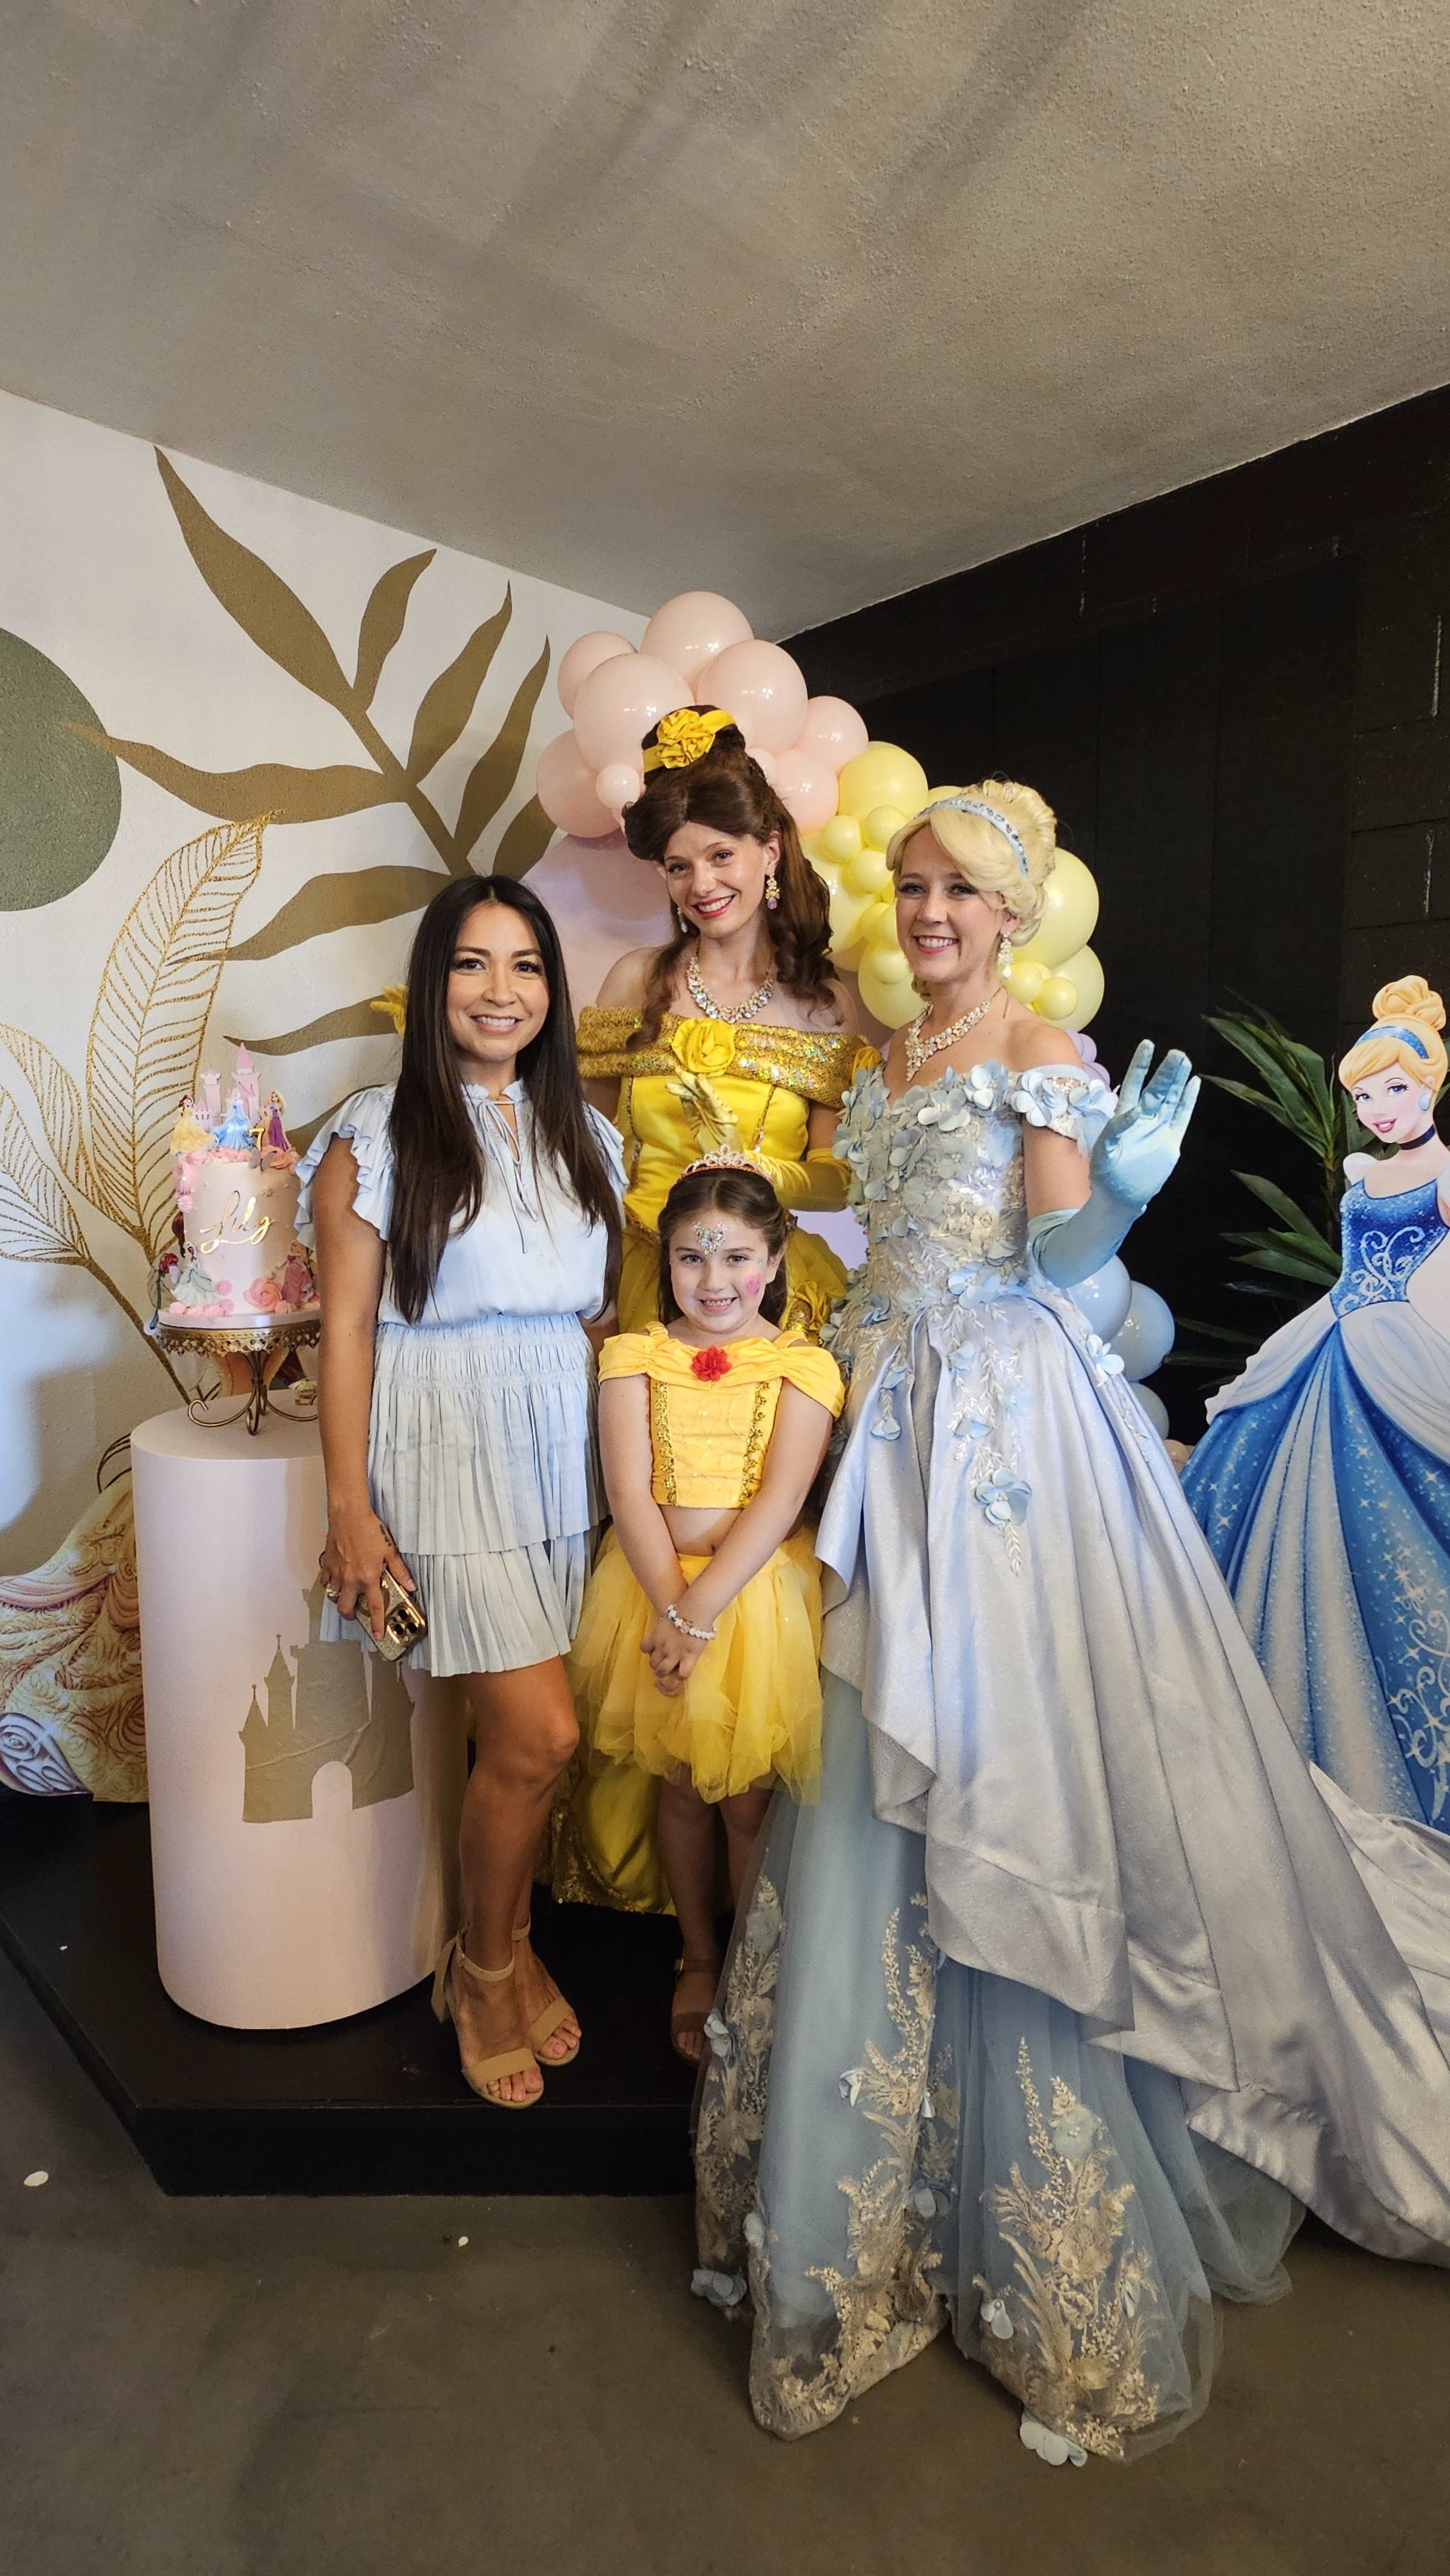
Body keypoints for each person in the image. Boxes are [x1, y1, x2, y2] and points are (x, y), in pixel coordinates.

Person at [693, 784, 1450, 2464]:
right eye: (913, 887)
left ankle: (1048, 2175)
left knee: (1000, 1751)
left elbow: (1058, 1251)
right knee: (877, 1771)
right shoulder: (882, 1063)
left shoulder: (1040, 1040)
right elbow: (872, 1240)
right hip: (887, 1416)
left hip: (1006, 1431)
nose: (932, 911)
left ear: (1016, 906)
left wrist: (1118, 1191)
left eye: (961, 888)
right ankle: (872, 2194)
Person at [299, 874, 624, 2110]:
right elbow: (344, 1334)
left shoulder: (588, 1135)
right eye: (474, 965)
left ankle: (514, 1940)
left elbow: (591, 1318)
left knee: (522, 1744)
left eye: (528, 965)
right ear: (432, 986)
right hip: (443, 1451)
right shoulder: (373, 1132)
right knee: (541, 1735)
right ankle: (481, 1970)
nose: (503, 991)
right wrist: (349, 1511)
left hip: (558, 1455)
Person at [560, 706, 875, 1912]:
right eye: (679, 864)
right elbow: (586, 1149)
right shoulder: (638, 980)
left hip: (777, 1297)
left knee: (768, 1545)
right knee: (641, 1547)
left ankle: (774, 1905)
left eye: (722, 857)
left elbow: (844, 1171)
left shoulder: (830, 996)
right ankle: (647, 1883)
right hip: (650, 1291)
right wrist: (597, 1294)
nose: (701, 883)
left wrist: (756, 1173)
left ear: (772, 852)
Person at [569, 1166, 843, 2062]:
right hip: (650, 1591)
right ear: (667, 1260)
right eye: (692, 1257)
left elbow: (781, 1499)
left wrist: (699, 1613)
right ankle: (696, 1954)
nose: (714, 1278)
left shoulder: (802, 1364)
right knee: (681, 1792)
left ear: (773, 1260)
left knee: (748, 1805)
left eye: (736, 1256)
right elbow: (630, 1493)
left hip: (749, 1603)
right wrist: (667, 1607)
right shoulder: (634, 1356)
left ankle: (752, 1968)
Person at [1183, 977, 1450, 1830]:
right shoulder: (1360, 1175)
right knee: (1255, 1467)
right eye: (1367, 1096)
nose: (1378, 1110)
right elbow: (1350, 1272)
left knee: (1391, 1532)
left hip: (1400, 1346)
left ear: (1431, 1086)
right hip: (1334, 1335)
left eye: (1395, 1091)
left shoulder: (1446, 1176)